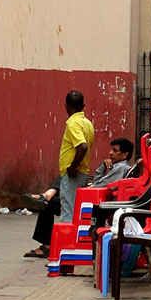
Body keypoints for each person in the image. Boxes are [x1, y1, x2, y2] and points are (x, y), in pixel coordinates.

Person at [22, 137, 133, 258]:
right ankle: (46, 196)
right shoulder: (117, 167)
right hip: (93, 200)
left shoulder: (121, 168)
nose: (110, 153)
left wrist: (87, 186)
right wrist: (102, 167)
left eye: (115, 150)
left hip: (93, 204)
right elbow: (99, 182)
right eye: (111, 150)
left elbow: (99, 185)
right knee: (65, 179)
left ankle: (46, 197)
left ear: (125, 154)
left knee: (56, 194)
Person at [58, 90, 95, 223]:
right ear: (83, 106)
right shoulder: (87, 123)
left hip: (74, 173)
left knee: (69, 211)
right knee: (76, 210)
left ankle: (68, 241)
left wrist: (73, 167)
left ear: (66, 106)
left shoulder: (73, 123)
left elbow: (82, 146)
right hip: (82, 172)